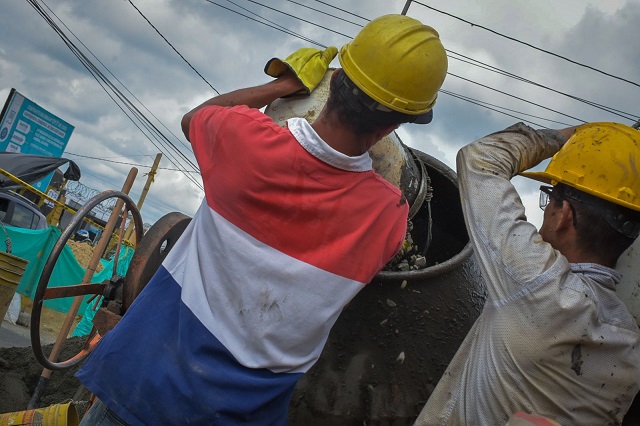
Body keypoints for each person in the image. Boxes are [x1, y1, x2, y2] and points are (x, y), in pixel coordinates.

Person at [76, 14, 448, 425]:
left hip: (142, 385)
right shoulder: (388, 219)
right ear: (394, 126)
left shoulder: (243, 140)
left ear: (336, 79)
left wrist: (281, 87)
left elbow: (194, 118)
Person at [414, 122, 640, 425]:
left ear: (563, 216)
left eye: (548, 199)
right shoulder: (630, 347)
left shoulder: (537, 284)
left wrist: (570, 137)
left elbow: (481, 159)